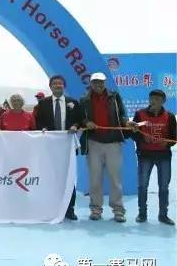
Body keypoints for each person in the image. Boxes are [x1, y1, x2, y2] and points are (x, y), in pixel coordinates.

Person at [79, 72, 134, 222]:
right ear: (91, 83)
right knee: (94, 179)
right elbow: (80, 117)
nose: (98, 85)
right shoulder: (84, 99)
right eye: (95, 82)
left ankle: (118, 210)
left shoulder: (114, 97)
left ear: (105, 83)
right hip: (94, 143)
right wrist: (86, 122)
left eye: (101, 82)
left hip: (113, 142)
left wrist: (126, 122)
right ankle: (96, 209)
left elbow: (122, 114)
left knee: (115, 178)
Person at [34, 75, 80, 220]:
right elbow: (38, 122)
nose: (58, 85)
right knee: (51, 178)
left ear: (64, 86)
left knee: (69, 178)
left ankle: (70, 209)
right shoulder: (43, 103)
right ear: (50, 86)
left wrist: (75, 126)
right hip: (50, 147)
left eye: (60, 83)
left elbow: (79, 120)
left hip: (68, 147)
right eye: (55, 83)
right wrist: (42, 128)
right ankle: (52, 208)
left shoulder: (73, 102)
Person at [131, 89, 176, 225]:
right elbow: (134, 134)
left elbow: (174, 137)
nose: (153, 101)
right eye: (151, 99)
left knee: (164, 187)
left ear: (163, 101)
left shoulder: (169, 116)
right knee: (142, 186)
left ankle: (163, 215)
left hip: (164, 156)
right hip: (145, 155)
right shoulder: (140, 114)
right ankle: (142, 214)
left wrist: (167, 143)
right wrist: (141, 137)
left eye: (157, 99)